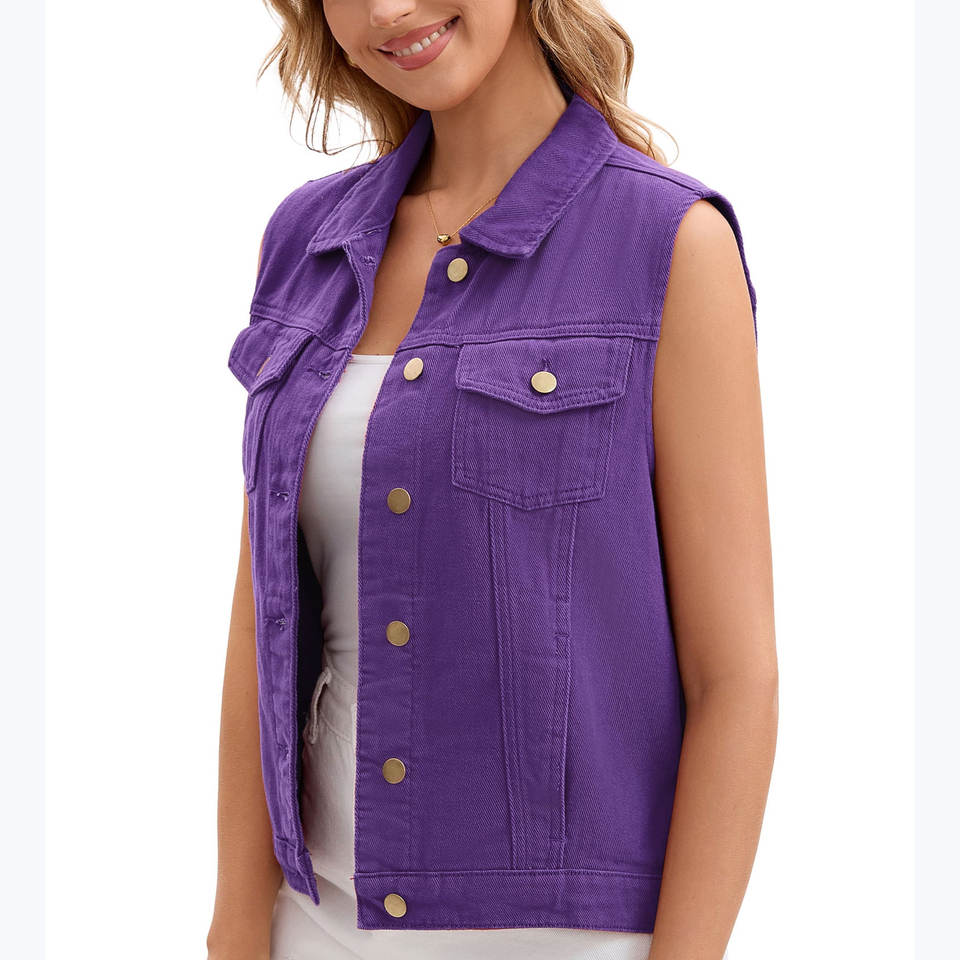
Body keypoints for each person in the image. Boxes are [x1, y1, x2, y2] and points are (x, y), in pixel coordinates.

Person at [207, 1, 777, 958]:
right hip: (313, 923)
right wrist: (234, 929)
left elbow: (736, 679)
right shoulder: (306, 242)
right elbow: (261, 624)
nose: (388, 9)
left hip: (563, 940)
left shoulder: (670, 242)